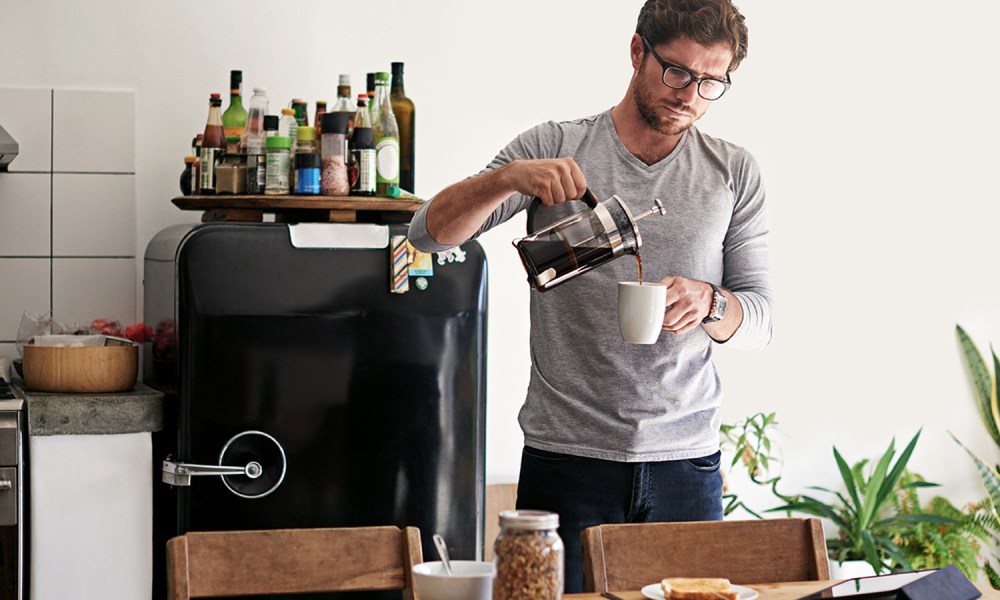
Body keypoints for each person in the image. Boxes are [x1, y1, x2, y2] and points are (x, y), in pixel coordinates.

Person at [407, 0, 771, 592]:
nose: (690, 95)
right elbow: (427, 234)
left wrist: (709, 301)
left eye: (711, 83)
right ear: (637, 52)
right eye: (677, 72)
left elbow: (760, 319)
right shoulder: (555, 145)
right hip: (565, 457)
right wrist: (506, 178)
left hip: (686, 465)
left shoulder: (733, 171)